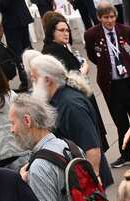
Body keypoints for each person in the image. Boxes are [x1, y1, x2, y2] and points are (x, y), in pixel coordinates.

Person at [27, 52, 112, 187]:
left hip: (85, 180)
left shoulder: (71, 106)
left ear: (48, 80)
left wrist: (93, 180)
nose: (33, 85)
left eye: (35, 79)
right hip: (73, 176)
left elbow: (92, 147)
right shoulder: (55, 99)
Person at [85, 2, 130, 168]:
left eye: (112, 16)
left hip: (129, 83)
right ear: (99, 18)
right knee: (120, 123)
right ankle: (126, 155)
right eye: (105, 17)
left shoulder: (126, 30)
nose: (109, 20)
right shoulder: (92, 34)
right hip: (111, 85)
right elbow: (92, 56)